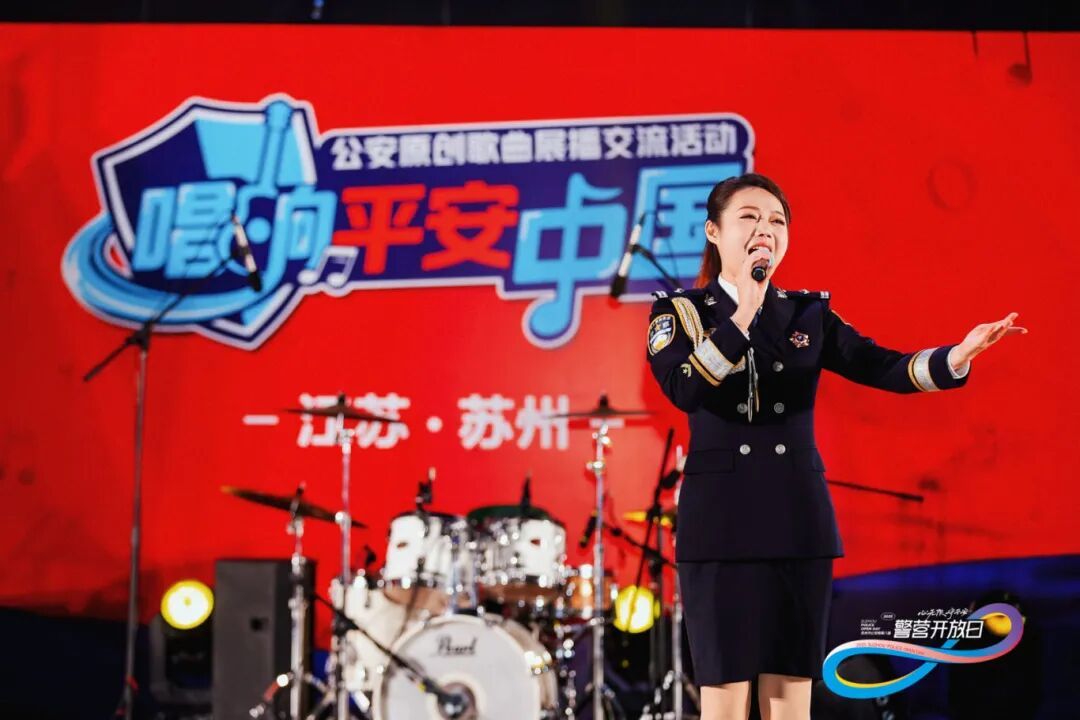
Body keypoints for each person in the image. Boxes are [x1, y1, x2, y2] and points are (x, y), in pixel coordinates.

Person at [645, 173, 1025, 720]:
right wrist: (742, 314)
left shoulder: (807, 314)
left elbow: (883, 366)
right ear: (713, 231)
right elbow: (684, 389)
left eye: (776, 221)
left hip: (797, 517)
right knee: (724, 699)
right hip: (720, 523)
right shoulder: (679, 312)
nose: (765, 230)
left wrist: (957, 356)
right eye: (749, 217)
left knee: (790, 696)